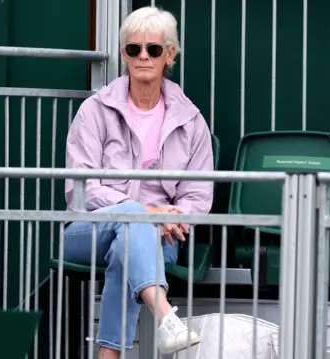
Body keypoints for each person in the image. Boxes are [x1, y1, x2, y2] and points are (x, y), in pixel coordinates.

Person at [63, 6, 214, 359]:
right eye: (134, 49)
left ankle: (108, 355)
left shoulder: (190, 120)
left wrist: (169, 217)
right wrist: (147, 211)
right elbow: (80, 188)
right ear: (123, 55)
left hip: (162, 235)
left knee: (126, 249)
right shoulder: (94, 110)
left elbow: (198, 194)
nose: (143, 56)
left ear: (170, 55)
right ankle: (166, 318)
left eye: (153, 49)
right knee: (133, 219)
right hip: (88, 230)